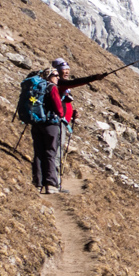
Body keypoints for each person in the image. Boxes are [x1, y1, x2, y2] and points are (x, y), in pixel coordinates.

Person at [33, 57, 113, 194]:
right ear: (55, 72)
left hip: (38, 122)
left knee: (40, 152)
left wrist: (71, 111)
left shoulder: (42, 85)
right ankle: (53, 184)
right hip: (54, 123)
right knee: (54, 153)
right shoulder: (56, 86)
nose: (65, 74)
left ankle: (38, 183)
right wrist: (95, 77)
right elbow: (62, 100)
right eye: (62, 71)